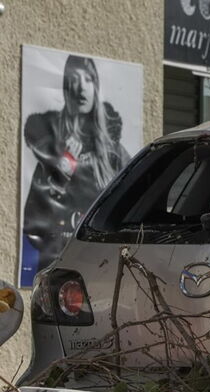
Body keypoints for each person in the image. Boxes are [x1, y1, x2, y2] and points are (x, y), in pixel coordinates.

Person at [22, 55, 130, 279]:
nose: (82, 87)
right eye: (74, 79)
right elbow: (33, 222)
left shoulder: (114, 153)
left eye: (88, 79)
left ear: (96, 86)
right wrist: (64, 168)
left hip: (104, 269)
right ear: (66, 87)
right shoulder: (50, 147)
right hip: (61, 270)